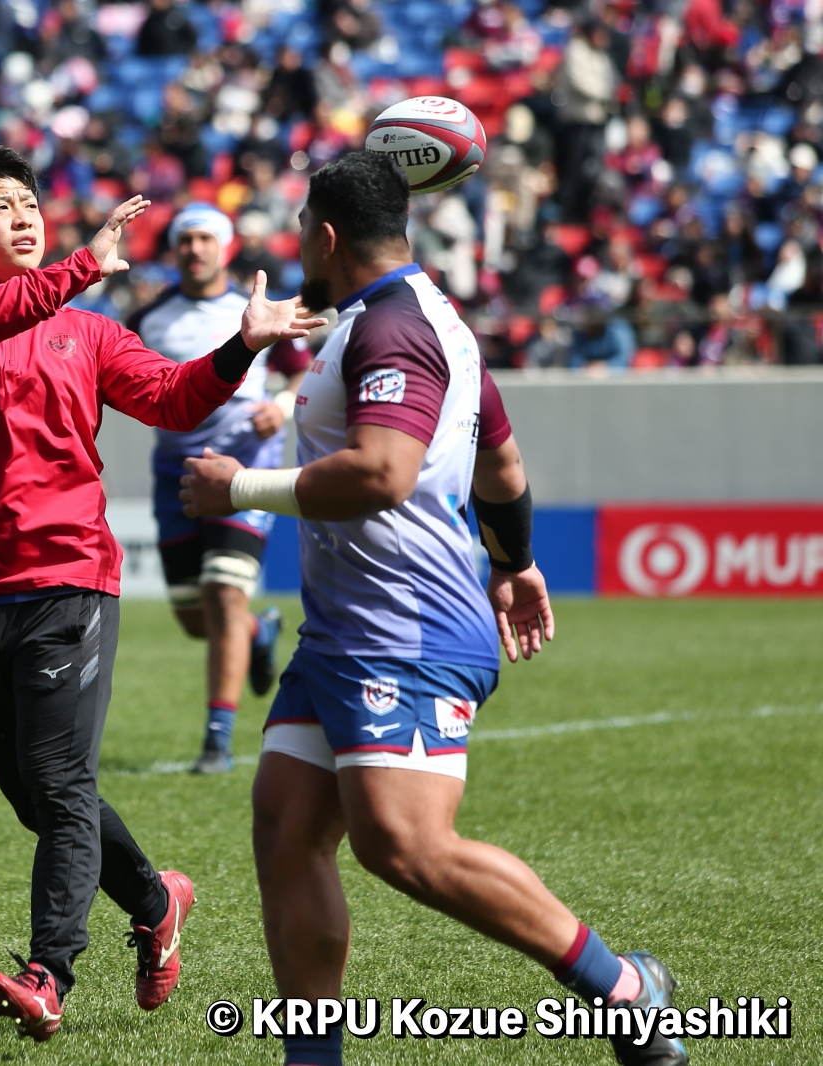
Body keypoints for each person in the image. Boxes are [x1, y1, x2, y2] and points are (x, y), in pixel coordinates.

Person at [178, 151, 684, 1066]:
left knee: (404, 845)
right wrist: (516, 562)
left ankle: (623, 988)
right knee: (287, 825)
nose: (297, 242)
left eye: (302, 228)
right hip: (345, 631)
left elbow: (383, 473)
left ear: (327, 238)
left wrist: (239, 488)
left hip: (404, 629)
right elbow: (502, 465)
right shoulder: (421, 320)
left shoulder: (395, 327)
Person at [0, 144, 325, 1043]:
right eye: (0, 206)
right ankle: (157, 900)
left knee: (58, 784)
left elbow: (172, 399)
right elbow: (1, 310)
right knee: (37, 799)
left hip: (70, 580)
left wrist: (243, 345)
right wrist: (83, 265)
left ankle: (49, 972)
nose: (24, 216)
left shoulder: (84, 331)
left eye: (30, 202)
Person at [127, 203, 297, 774]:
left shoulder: (254, 310)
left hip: (245, 468)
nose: (194, 249)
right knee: (195, 617)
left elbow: (304, 367)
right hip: (175, 473)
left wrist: (281, 405)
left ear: (224, 247)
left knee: (223, 593)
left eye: (205, 238)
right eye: (185, 239)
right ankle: (258, 630)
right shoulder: (149, 318)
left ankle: (216, 741)